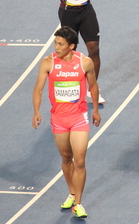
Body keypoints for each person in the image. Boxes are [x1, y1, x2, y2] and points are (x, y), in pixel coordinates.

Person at [32, 26, 101, 219]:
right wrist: (36, 111)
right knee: (66, 158)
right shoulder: (48, 63)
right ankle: (71, 192)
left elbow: (93, 86)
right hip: (59, 119)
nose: (56, 47)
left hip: (79, 118)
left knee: (79, 161)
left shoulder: (85, 63)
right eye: (55, 43)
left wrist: (95, 109)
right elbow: (38, 89)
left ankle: (78, 203)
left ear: (71, 46)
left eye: (60, 44)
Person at [32, 0, 105, 103]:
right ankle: (68, 89)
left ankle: (92, 88)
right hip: (68, 13)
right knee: (67, 52)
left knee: (94, 49)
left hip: (86, 10)